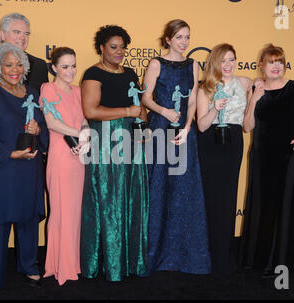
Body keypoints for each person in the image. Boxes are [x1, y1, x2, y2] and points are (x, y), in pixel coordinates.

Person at [0, 43, 48, 290]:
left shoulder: (33, 93)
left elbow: (43, 129)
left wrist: (39, 129)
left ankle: (28, 265)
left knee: (27, 218)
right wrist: (8, 153)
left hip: (27, 169)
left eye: (19, 64)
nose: (15, 69)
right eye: (8, 64)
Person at [240, 44, 294, 277]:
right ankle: (258, 257)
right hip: (262, 155)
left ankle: (283, 259)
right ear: (261, 65)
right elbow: (247, 126)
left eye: (280, 62)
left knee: (284, 204)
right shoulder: (256, 87)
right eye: (271, 62)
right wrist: (255, 97)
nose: (276, 67)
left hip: (288, 155)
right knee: (262, 205)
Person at [141, 19, 211, 275]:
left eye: (187, 37)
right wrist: (164, 111)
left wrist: (187, 126)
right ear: (168, 39)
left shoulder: (193, 64)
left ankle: (184, 256)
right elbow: (145, 97)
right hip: (160, 128)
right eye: (180, 37)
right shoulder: (156, 64)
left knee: (183, 189)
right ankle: (155, 255)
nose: (184, 42)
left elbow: (193, 99)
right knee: (159, 187)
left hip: (183, 132)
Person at [80, 25, 149, 281]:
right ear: (101, 47)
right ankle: (108, 263)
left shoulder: (130, 73)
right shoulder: (93, 73)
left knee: (132, 199)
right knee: (109, 202)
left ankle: (132, 261)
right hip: (107, 143)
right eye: (113, 47)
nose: (119, 52)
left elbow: (139, 106)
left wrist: (144, 126)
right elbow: (91, 111)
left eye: (123, 47)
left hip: (133, 141)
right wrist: (127, 113)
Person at [196, 43, 252, 276]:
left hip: (233, 142)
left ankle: (226, 255)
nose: (228, 65)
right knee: (212, 199)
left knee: (229, 198)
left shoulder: (245, 83)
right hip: (210, 143)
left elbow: (250, 119)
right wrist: (215, 109)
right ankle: (210, 255)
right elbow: (201, 125)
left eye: (232, 60)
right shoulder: (205, 89)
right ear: (215, 63)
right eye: (224, 60)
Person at [40, 47, 90, 286]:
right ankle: (59, 267)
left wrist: (85, 137)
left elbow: (84, 120)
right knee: (60, 213)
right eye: (65, 67)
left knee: (73, 214)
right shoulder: (47, 89)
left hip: (78, 157)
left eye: (73, 66)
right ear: (54, 68)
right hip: (60, 156)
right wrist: (79, 134)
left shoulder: (79, 91)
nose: (70, 71)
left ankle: (71, 264)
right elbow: (51, 122)